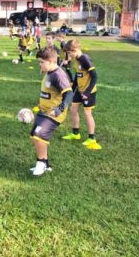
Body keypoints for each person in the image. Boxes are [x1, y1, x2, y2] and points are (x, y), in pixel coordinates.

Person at [30, 47, 74, 176]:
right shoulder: (49, 73)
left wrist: (59, 109)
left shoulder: (58, 75)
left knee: (39, 136)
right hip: (44, 111)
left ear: (50, 61)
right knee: (34, 136)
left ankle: (41, 163)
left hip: (53, 114)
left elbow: (69, 94)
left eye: (41, 62)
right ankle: (46, 164)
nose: (40, 64)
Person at [62, 39, 101, 150]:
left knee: (87, 112)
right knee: (73, 109)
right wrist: (72, 89)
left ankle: (91, 138)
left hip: (89, 91)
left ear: (76, 49)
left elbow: (94, 76)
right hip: (80, 90)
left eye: (70, 52)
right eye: (68, 53)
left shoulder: (85, 59)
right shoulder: (76, 60)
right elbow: (77, 77)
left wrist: (87, 92)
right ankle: (75, 133)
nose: (69, 55)